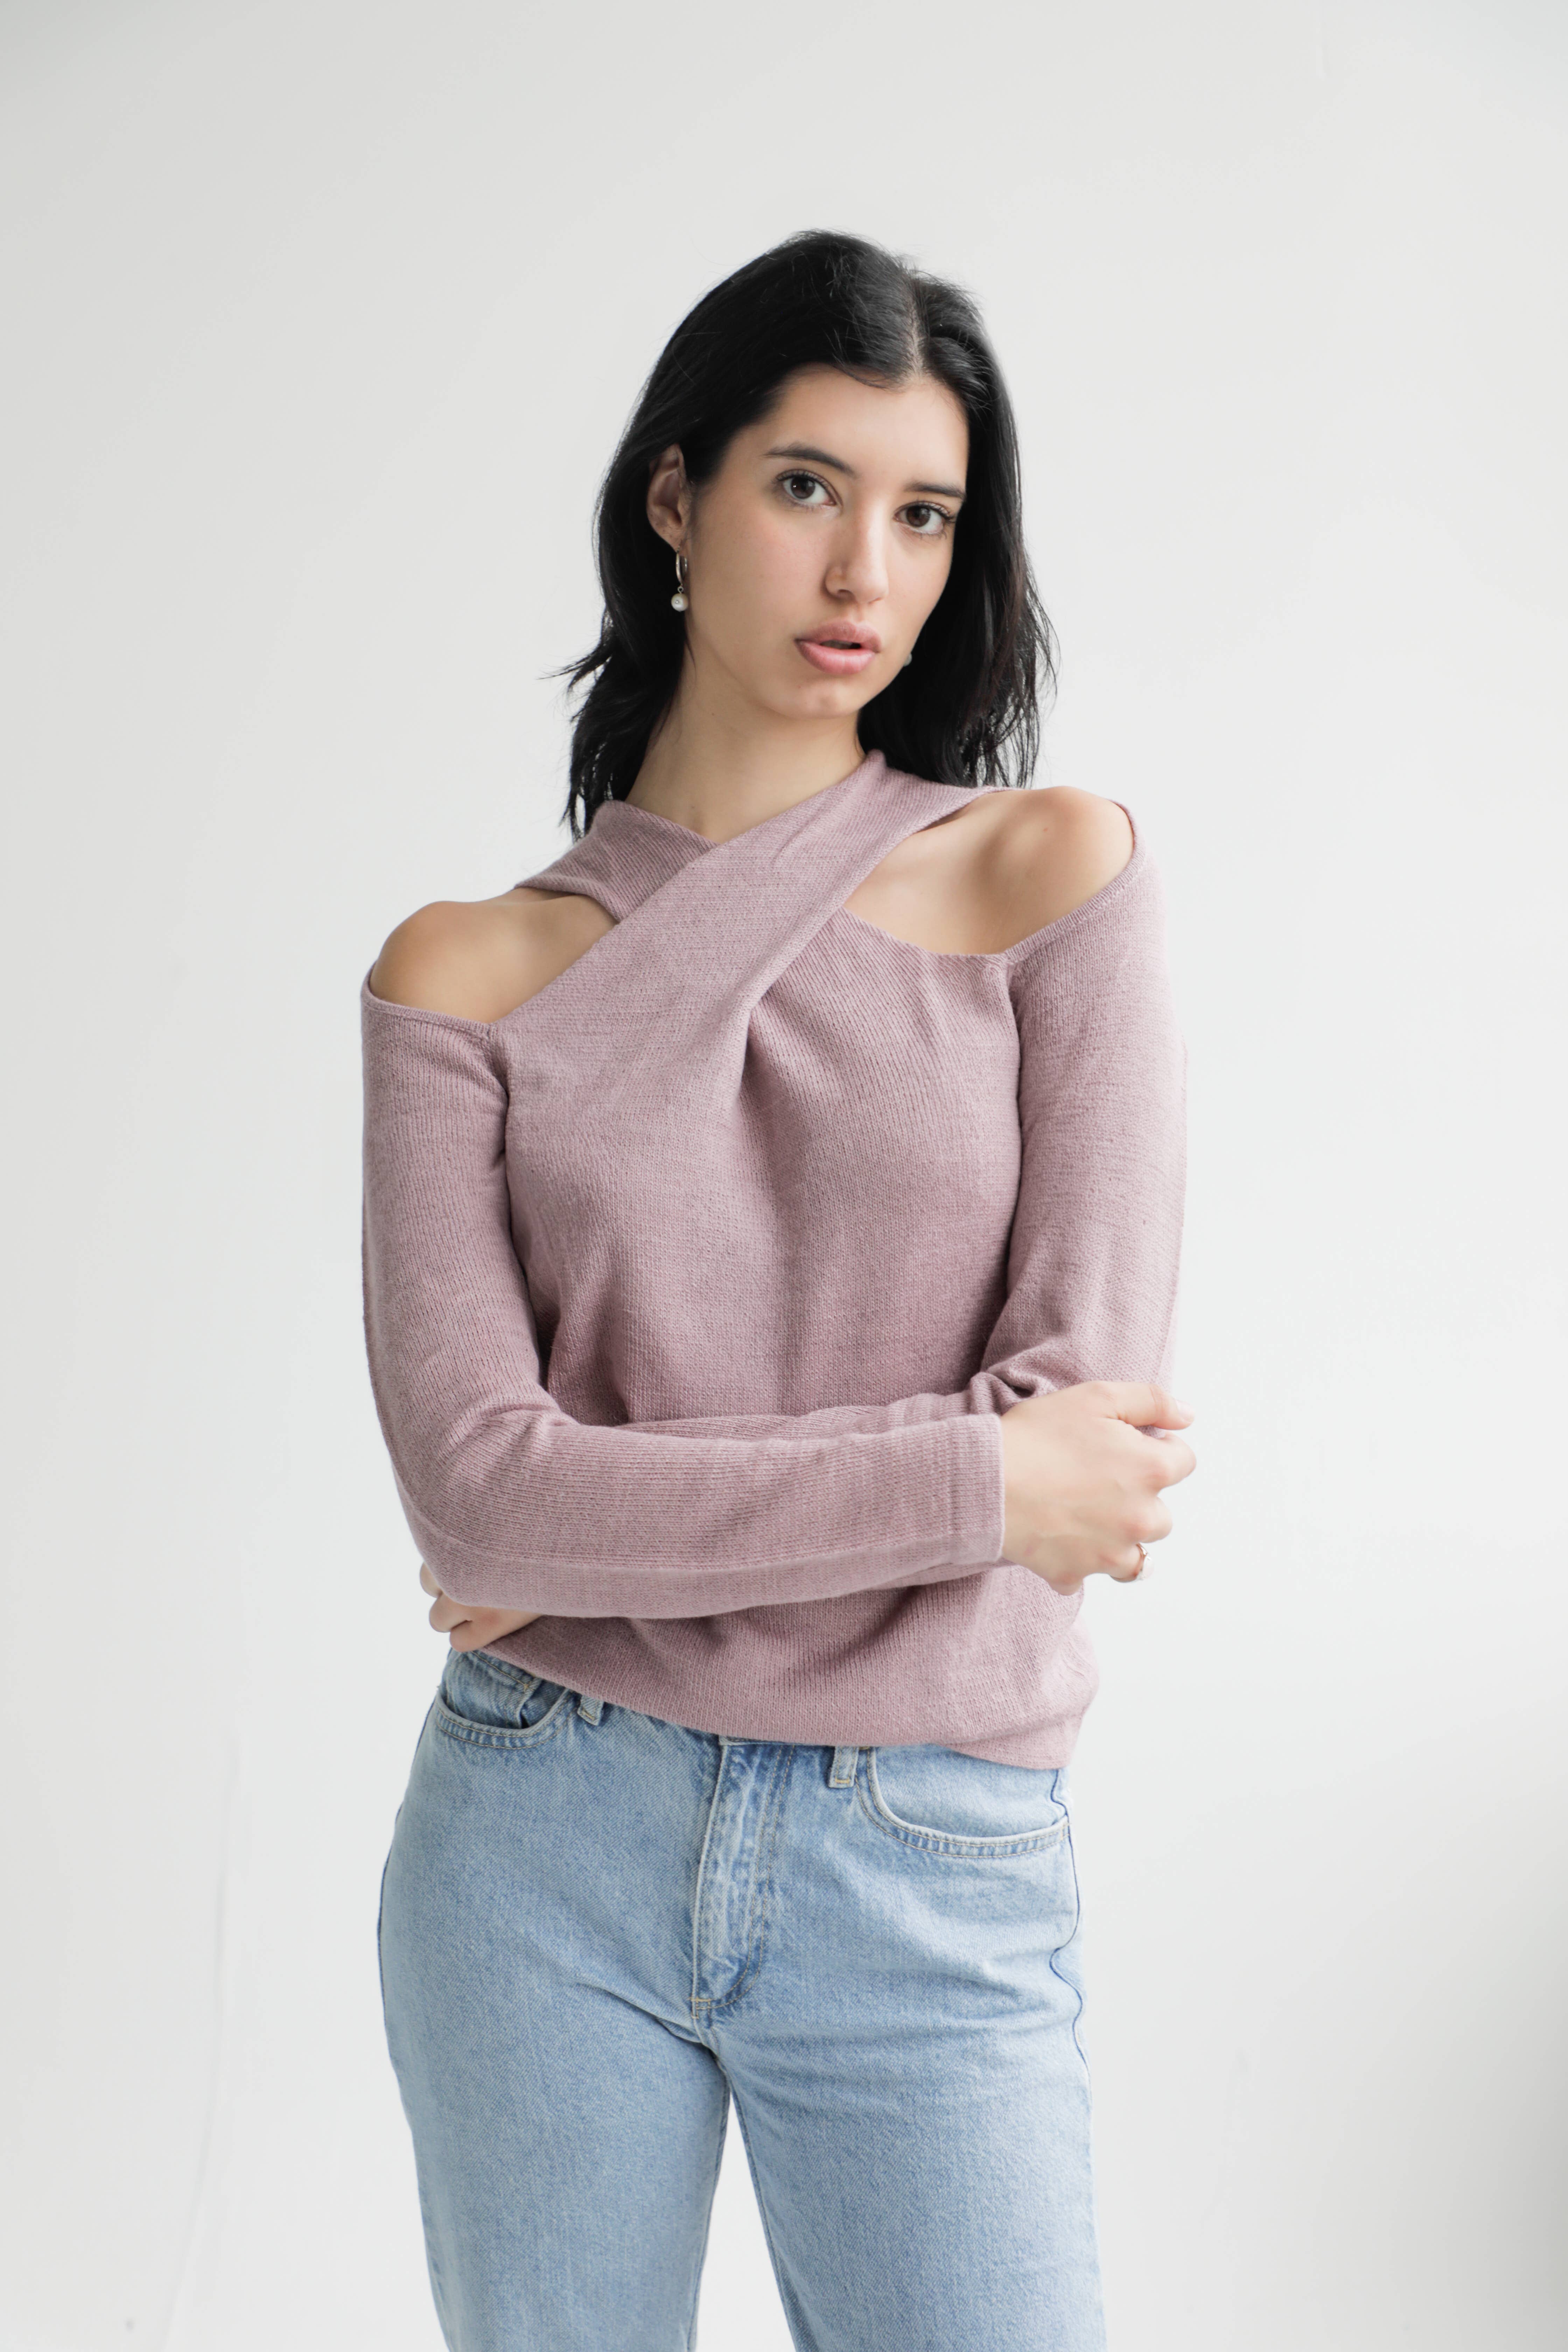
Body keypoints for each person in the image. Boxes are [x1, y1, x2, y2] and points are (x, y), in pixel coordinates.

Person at [360, 227, 1195, 2352]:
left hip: (927, 1842)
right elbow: (480, 1501)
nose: (864, 574)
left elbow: (1088, 1446)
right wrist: (972, 1483)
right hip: (542, 1826)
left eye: (924, 515)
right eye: (808, 486)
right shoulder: (466, 972)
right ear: (676, 495)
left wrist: (608, 1528)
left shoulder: (1050, 875)